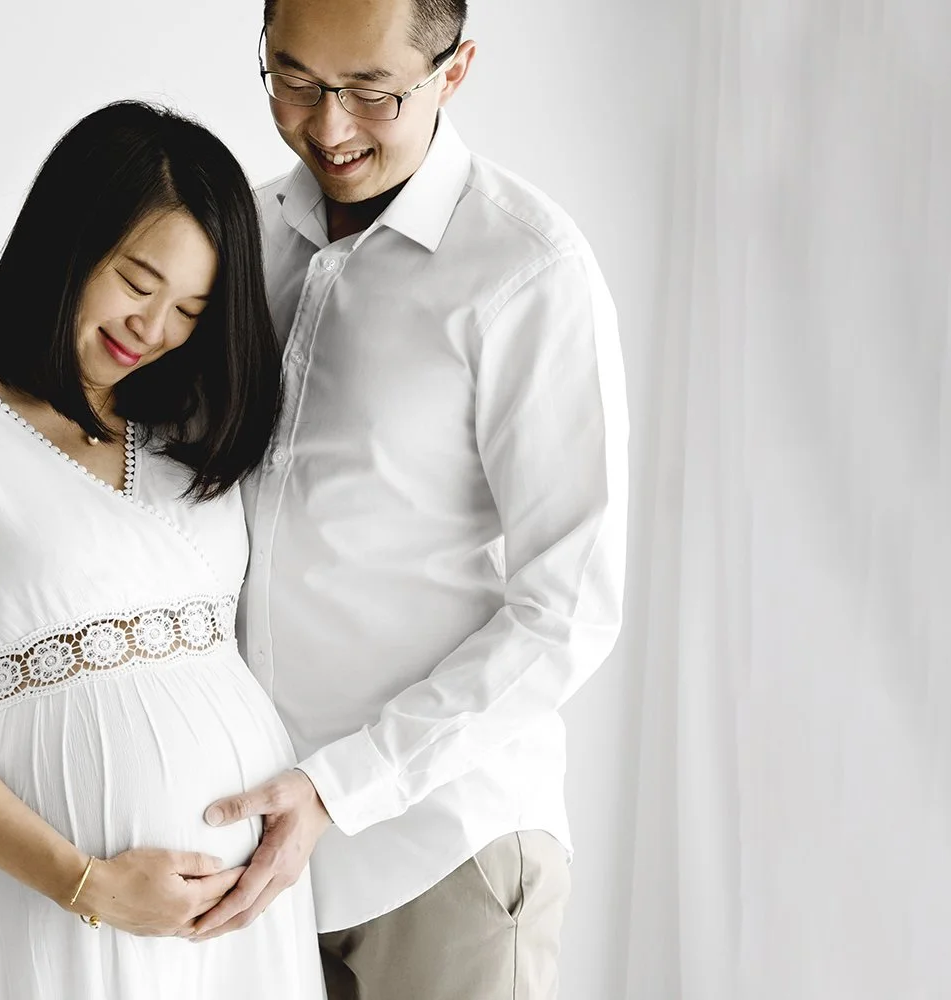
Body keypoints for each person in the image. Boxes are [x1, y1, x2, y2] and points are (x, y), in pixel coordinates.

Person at [0, 100, 325, 1000]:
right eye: (136, 280)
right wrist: (92, 887)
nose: (153, 328)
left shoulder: (185, 420)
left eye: (191, 307)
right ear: (68, 241)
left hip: (249, 918)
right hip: (55, 905)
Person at [195, 2, 630, 998]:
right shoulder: (241, 236)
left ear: (457, 68)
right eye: (294, 82)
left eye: (374, 94)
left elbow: (569, 606)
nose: (330, 127)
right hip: (243, 857)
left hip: (440, 854)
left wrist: (340, 786)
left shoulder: (528, 271)